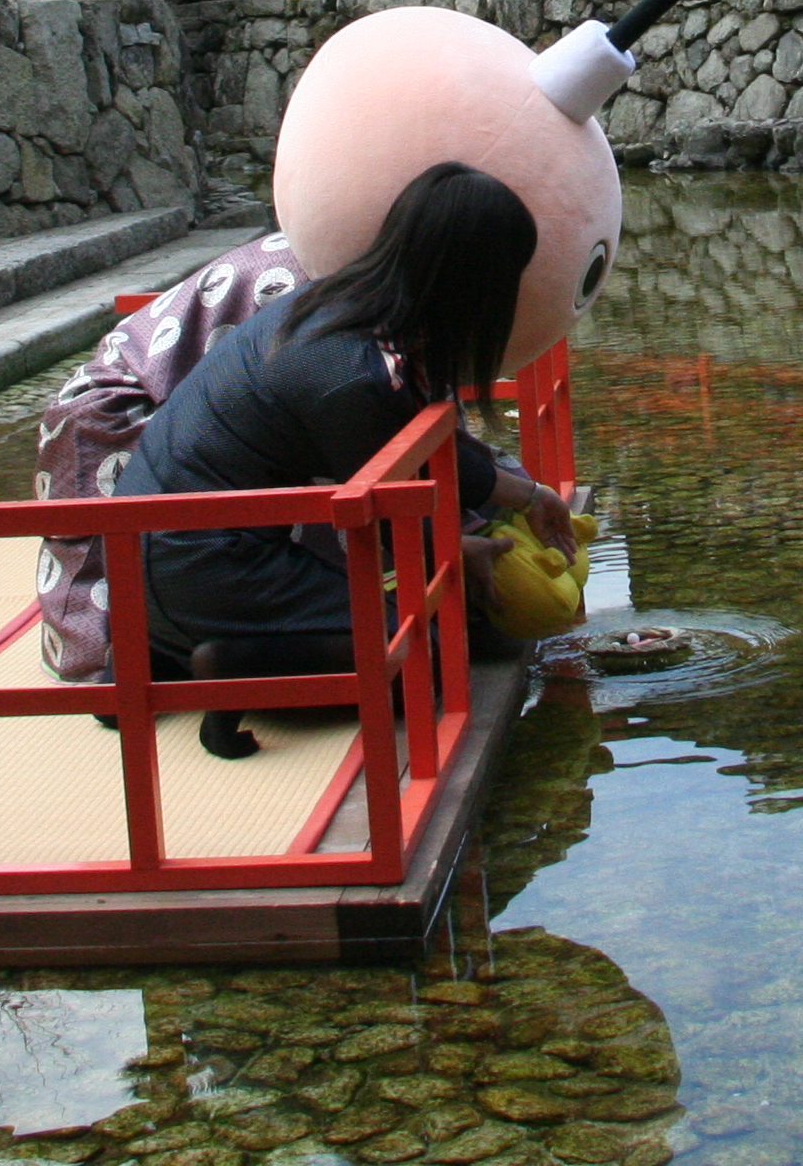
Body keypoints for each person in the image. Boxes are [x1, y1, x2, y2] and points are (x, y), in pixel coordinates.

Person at [107, 164, 581, 755]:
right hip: (206, 563)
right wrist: (512, 509)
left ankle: (161, 651)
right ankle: (232, 665)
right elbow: (408, 470)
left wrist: (508, 510)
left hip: (143, 559)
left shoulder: (334, 304)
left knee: (445, 620)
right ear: (473, 282)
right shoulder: (346, 370)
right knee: (421, 662)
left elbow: (409, 456)